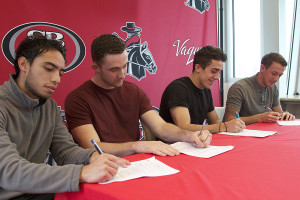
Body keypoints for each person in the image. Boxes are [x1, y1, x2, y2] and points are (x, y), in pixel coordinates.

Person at [0, 36, 129, 200]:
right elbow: (8, 171)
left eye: (60, 72)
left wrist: (92, 157)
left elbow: (66, 151)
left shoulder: (50, 107)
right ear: (24, 64)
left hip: (39, 191)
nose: (56, 79)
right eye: (48, 69)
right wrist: (82, 173)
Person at [64, 34, 212, 158]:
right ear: (96, 68)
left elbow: (161, 127)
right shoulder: (78, 99)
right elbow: (94, 147)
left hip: (139, 164)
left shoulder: (133, 91)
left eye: (125, 66)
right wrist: (137, 146)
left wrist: (189, 136)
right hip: (103, 167)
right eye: (114, 69)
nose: (122, 74)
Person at [159, 46, 245, 134]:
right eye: (213, 71)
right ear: (198, 68)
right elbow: (184, 127)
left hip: (196, 143)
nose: (217, 77)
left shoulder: (206, 90)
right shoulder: (178, 88)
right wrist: (224, 126)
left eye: (219, 72)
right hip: (173, 145)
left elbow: (215, 121)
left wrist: (228, 126)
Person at [224, 52, 295, 125]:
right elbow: (229, 119)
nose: (276, 79)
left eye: (280, 75)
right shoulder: (239, 88)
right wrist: (260, 118)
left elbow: (279, 113)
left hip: (265, 131)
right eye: (274, 74)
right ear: (262, 68)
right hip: (244, 132)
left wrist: (284, 115)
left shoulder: (273, 88)